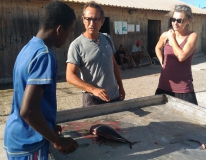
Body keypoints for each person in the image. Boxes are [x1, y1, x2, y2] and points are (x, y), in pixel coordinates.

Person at [4, 1, 78, 159]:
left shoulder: (29, 48)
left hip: (17, 135)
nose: (69, 37)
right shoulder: (45, 56)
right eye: (70, 31)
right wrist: (57, 141)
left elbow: (28, 99)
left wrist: (48, 127)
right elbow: (28, 110)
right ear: (59, 30)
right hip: (29, 143)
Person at [66, 1, 125, 107]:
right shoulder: (76, 45)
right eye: (88, 19)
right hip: (93, 100)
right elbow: (70, 76)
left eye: (95, 19)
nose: (91, 23)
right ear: (83, 19)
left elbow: (114, 64)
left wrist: (120, 86)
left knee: (118, 123)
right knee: (96, 124)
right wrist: (93, 89)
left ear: (102, 21)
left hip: (114, 96)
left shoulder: (107, 38)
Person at [155, 4, 198, 105]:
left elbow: (181, 57)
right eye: (173, 19)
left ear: (188, 20)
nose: (175, 23)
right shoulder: (165, 35)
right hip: (164, 85)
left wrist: (172, 39)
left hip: (183, 88)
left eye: (179, 20)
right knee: (161, 118)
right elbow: (157, 48)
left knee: (190, 119)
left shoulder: (192, 36)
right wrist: (162, 62)